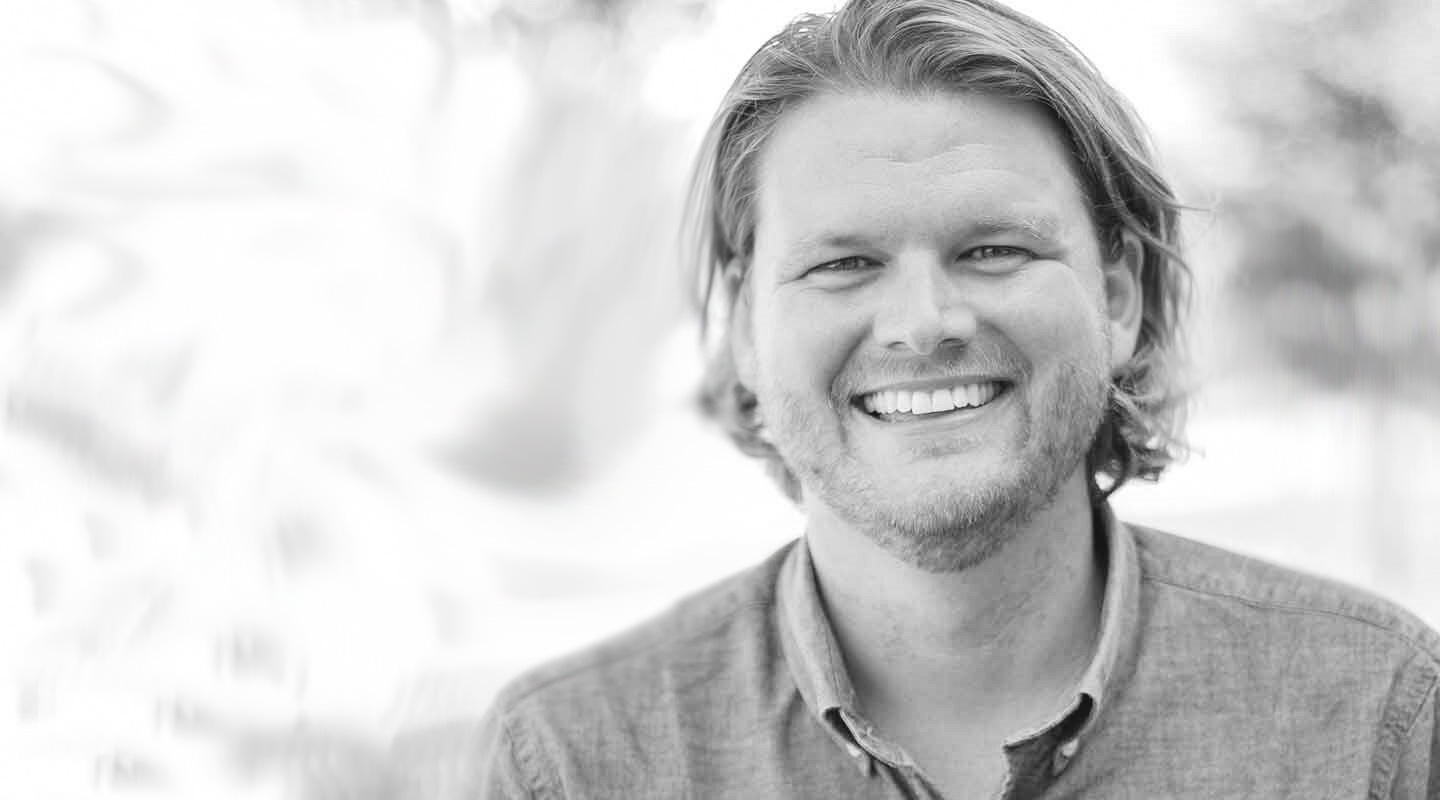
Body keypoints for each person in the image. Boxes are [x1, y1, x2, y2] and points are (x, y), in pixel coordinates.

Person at [469, 0, 1440, 797]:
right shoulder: (574, 762)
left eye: (993, 249)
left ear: (1117, 299)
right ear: (747, 334)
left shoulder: (1372, 717)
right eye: (844, 263)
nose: (924, 323)